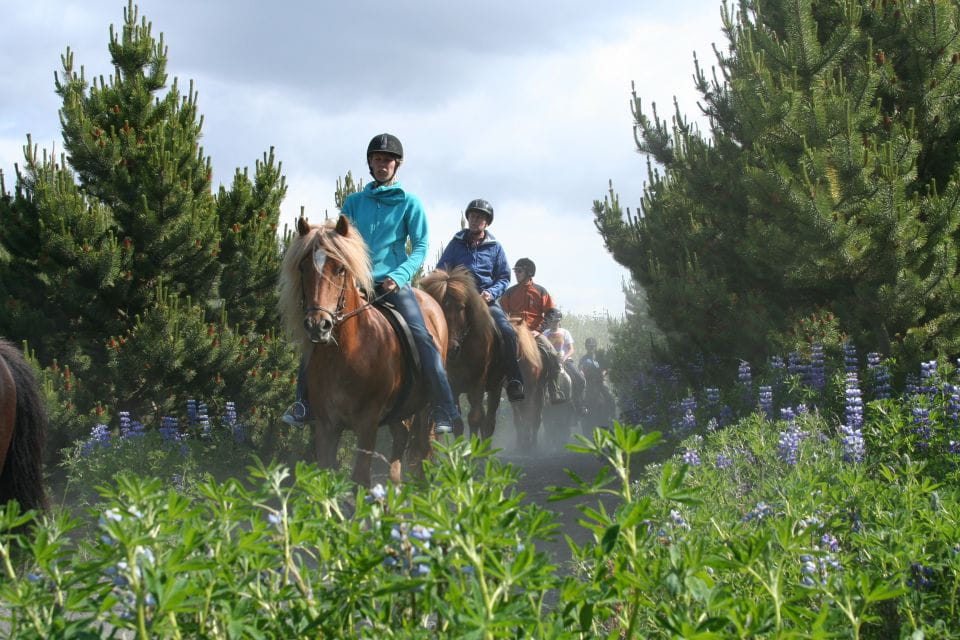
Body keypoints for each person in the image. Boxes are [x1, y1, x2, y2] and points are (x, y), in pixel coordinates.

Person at [283, 133, 462, 434]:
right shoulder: (353, 203)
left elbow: (420, 247)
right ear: (370, 163)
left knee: (422, 335)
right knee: (315, 333)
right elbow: (339, 242)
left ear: (397, 165)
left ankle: (444, 405)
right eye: (378, 159)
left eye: (388, 160)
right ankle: (304, 403)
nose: (383, 164)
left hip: (394, 284)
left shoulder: (410, 203)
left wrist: (400, 276)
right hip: (355, 285)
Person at [436, 198, 525, 402]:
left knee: (507, 331)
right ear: (468, 218)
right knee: (432, 327)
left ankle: (514, 380)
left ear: (487, 222)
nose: (476, 220)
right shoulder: (456, 242)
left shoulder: (495, 247)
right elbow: (442, 268)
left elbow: (504, 277)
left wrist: (491, 293)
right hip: (458, 299)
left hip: (485, 300)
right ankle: (430, 381)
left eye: (480, 217)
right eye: (473, 216)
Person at [500, 258, 565, 402]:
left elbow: (551, 312)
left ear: (528, 272)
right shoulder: (509, 292)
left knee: (553, 356)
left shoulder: (541, 291)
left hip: (534, 333)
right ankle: (493, 390)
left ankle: (554, 391)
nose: (516, 274)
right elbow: (501, 311)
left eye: (519, 271)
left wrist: (540, 330)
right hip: (514, 332)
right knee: (494, 350)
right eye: (515, 271)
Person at [542, 308, 587, 415]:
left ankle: (579, 404)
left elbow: (571, 349)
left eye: (557, 320)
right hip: (549, 362)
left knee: (580, 379)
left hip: (565, 360)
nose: (555, 323)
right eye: (553, 321)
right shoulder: (544, 333)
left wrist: (564, 357)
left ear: (560, 321)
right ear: (549, 321)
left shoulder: (565, 332)